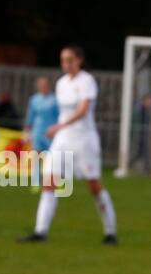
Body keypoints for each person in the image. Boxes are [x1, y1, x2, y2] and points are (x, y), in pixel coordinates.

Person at [20, 45, 117, 244]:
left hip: (83, 139)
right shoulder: (61, 83)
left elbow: (83, 110)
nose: (66, 64)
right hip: (63, 139)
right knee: (49, 182)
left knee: (94, 186)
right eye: (63, 60)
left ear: (79, 60)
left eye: (70, 59)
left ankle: (110, 232)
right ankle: (40, 231)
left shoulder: (86, 81)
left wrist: (58, 125)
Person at [24, 76, 59, 159]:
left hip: (50, 131)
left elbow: (59, 116)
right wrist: (26, 131)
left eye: (44, 85)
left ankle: (49, 171)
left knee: (51, 155)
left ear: (49, 85)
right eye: (40, 85)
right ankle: (36, 172)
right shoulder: (34, 99)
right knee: (36, 154)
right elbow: (30, 116)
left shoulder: (55, 100)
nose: (42, 87)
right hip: (37, 130)